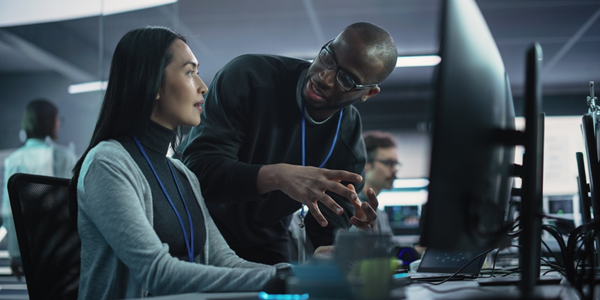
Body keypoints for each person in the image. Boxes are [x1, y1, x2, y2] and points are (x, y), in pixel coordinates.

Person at [68, 26, 333, 299]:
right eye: (189, 72)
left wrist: (304, 272)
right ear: (153, 84)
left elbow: (229, 263)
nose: (202, 86)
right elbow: (158, 273)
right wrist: (289, 276)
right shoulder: (108, 163)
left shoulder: (181, 173)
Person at [179, 22, 397, 264]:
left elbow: (329, 221)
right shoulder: (248, 78)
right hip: (197, 224)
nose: (324, 77)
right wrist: (279, 176)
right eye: (328, 57)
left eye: (346, 79)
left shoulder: (347, 135)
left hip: (266, 237)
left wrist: (342, 243)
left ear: (368, 93)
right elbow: (198, 171)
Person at [2, 98, 77, 280]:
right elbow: (75, 206)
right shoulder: (64, 157)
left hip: (28, 250)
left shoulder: (14, 160)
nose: (59, 124)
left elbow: (9, 213)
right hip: (61, 251)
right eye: (58, 119)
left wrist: (15, 254)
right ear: (50, 122)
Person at [360, 130, 401, 235]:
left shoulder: (381, 215)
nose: (395, 169)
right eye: (389, 163)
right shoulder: (353, 209)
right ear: (366, 164)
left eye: (395, 163)